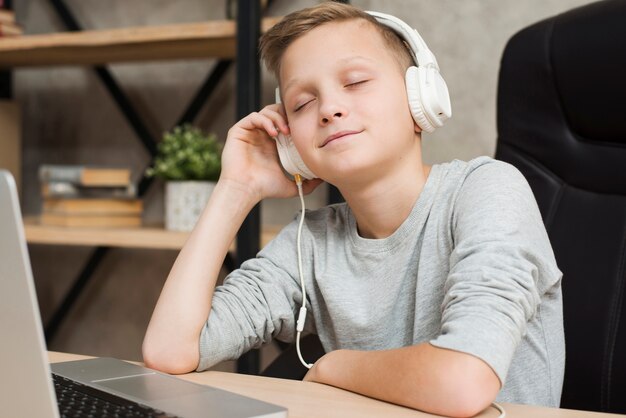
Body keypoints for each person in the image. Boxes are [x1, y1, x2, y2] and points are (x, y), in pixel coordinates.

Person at [142, 3, 564, 417]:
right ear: (291, 143)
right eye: (302, 104)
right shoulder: (312, 240)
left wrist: (334, 366)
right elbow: (170, 351)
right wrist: (237, 188)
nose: (329, 109)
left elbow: (464, 381)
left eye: (356, 81)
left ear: (421, 98)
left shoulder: (487, 189)